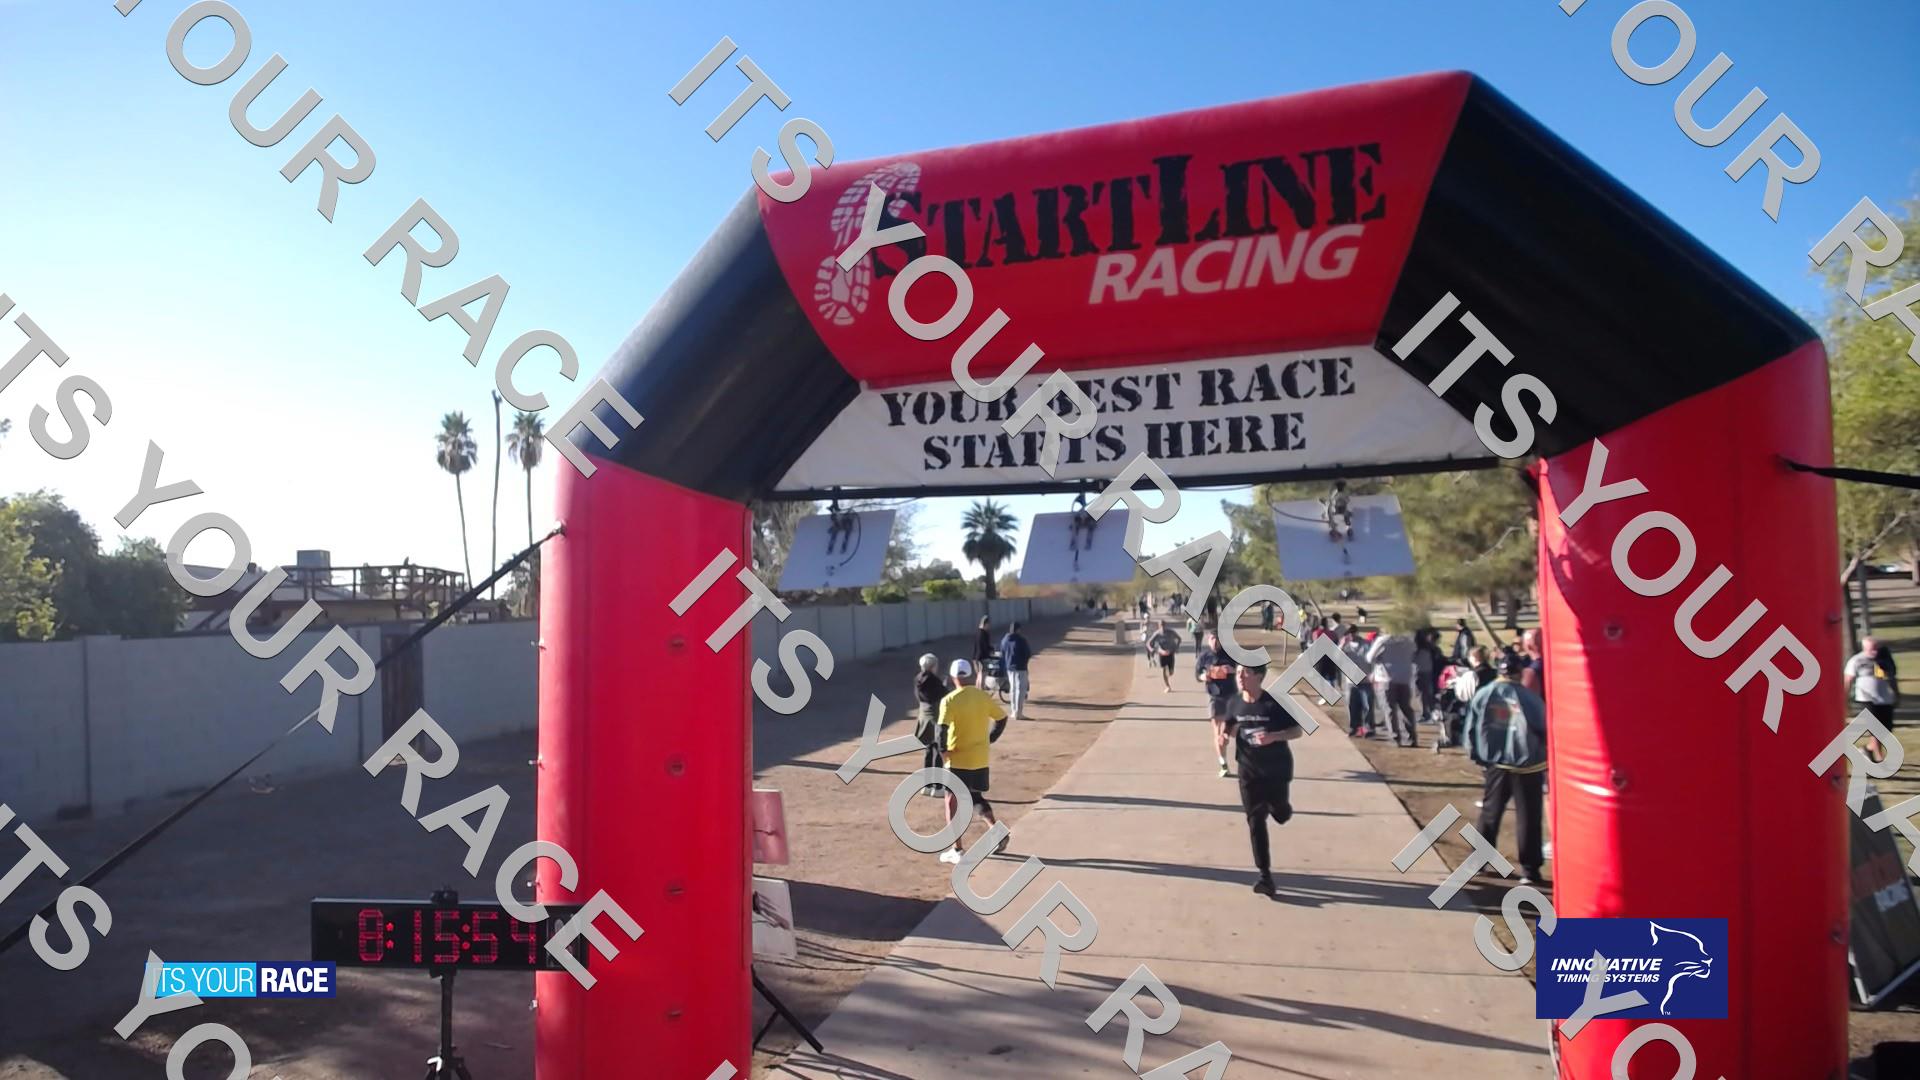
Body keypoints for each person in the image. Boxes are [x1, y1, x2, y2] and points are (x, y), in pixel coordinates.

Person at [1462, 652, 1548, 884]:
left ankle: (1478, 861)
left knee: (1490, 813)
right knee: (1528, 817)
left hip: (1496, 764)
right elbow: (1544, 728)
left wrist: (1477, 756)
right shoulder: (1529, 698)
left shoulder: (1484, 694)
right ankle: (1530, 870)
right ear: (1520, 672)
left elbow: (1471, 728)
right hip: (1528, 765)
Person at [1223, 659, 1307, 895]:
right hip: (1248, 771)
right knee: (1255, 820)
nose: (1240, 677)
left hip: (1276, 769)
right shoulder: (1234, 702)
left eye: (1246, 673)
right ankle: (1265, 876)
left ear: (1259, 677)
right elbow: (1228, 727)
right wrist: (1225, 734)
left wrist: (1274, 736)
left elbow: (1297, 731)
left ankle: (1281, 808)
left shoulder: (1275, 703)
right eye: (1239, 673)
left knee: (1280, 815)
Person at [938, 659, 1010, 864]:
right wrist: (990, 738)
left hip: (957, 759)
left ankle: (957, 849)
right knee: (975, 796)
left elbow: (941, 729)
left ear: (953, 677)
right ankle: (997, 832)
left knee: (951, 802)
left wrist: (943, 752)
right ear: (970, 676)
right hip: (979, 758)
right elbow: (1002, 718)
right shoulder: (982, 697)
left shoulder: (950, 700)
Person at [1194, 630, 1238, 776]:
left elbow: (1241, 670)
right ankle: (1223, 764)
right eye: (1212, 639)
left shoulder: (1230, 654)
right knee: (1217, 732)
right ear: (1208, 640)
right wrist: (1203, 676)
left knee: (1228, 732)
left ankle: (1236, 751)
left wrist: (1231, 670)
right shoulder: (1204, 656)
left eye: (1217, 639)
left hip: (1230, 695)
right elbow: (1197, 674)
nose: (1214, 642)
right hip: (1214, 696)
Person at [1847, 635, 1897, 762]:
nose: (1874, 651)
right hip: (1867, 699)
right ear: (1865, 648)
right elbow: (1848, 680)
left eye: (1876, 648)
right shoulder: (1856, 660)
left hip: (1885, 699)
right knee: (1875, 727)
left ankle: (1868, 749)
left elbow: (1892, 678)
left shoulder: (1885, 660)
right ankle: (1879, 757)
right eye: (1871, 649)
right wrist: (1845, 698)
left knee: (1885, 730)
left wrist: (1896, 693)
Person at [1366, 629, 1418, 746]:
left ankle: (1395, 737)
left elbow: (1369, 658)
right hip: (1404, 678)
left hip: (1386, 678)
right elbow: (1413, 653)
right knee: (1406, 708)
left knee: (1389, 709)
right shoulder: (1408, 640)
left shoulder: (1383, 640)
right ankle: (1411, 737)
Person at [913, 654, 949, 792]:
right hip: (935, 717)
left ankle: (927, 785)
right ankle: (937, 786)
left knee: (928, 751)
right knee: (939, 751)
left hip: (923, 717)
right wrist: (944, 685)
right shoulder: (934, 681)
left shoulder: (918, 679)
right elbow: (945, 695)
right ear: (933, 666)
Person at [1339, 629, 1374, 737]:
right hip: (1351, 681)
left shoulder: (1367, 644)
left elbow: (1373, 659)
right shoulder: (1345, 647)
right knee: (1352, 706)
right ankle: (1354, 728)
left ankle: (1368, 728)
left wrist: (1373, 674)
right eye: (1348, 634)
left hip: (1365, 680)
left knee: (1367, 706)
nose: (1351, 636)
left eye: (1353, 633)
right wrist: (1342, 644)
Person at [1000, 621, 1032, 721]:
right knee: (1020, 690)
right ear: (1018, 630)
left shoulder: (1004, 640)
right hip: (1020, 667)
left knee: (1013, 689)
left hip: (1009, 668)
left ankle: (1014, 711)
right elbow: (1027, 653)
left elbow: (1002, 653)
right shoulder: (1021, 640)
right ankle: (1018, 712)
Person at [1149, 619, 1182, 693]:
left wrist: (1176, 647)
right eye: (1161, 625)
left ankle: (1170, 672)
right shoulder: (1157, 634)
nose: (1162, 627)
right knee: (1164, 669)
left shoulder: (1171, 632)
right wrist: (1152, 649)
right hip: (1162, 653)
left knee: (1171, 672)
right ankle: (1167, 686)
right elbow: (1149, 643)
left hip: (1170, 653)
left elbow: (1179, 639)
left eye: (1163, 625)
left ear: (1166, 625)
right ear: (1159, 626)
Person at [972, 616, 994, 688]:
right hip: (983, 657)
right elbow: (984, 646)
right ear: (986, 624)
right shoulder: (984, 634)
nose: (989, 627)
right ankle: (981, 690)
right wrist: (991, 650)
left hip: (976, 657)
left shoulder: (977, 632)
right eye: (988, 625)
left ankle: (977, 690)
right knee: (983, 674)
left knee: (979, 675)